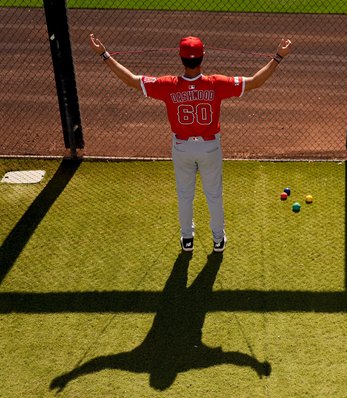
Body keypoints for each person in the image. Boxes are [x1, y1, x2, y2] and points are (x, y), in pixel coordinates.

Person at [89, 33, 292, 252]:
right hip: (209, 147)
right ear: (203, 57)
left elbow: (130, 79)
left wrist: (104, 54)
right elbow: (255, 82)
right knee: (213, 195)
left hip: (182, 148)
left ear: (181, 57)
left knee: (185, 195)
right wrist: (278, 56)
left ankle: (187, 239)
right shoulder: (216, 83)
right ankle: (217, 240)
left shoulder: (168, 85)